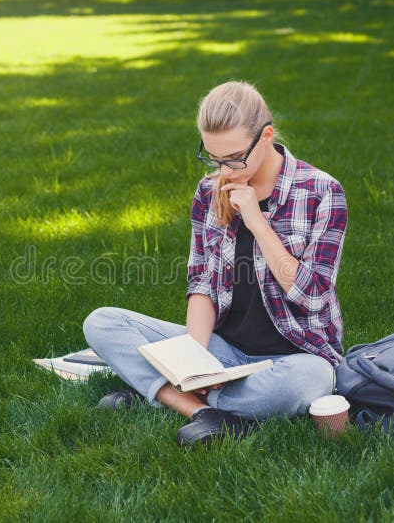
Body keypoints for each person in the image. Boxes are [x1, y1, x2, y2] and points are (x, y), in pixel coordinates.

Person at [82, 80, 348, 447]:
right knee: (103, 322)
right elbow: (202, 283)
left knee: (314, 381)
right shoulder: (209, 191)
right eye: (214, 158)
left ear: (266, 136)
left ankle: (162, 394)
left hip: (296, 356)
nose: (225, 170)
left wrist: (256, 221)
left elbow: (312, 295)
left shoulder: (322, 192)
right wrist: (195, 359)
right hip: (225, 350)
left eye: (235, 158)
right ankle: (198, 408)